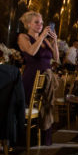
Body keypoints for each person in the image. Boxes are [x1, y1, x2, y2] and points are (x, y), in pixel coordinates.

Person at [18, 11, 59, 146]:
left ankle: (40, 135)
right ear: (28, 24)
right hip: (31, 77)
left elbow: (56, 58)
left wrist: (55, 41)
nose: (40, 25)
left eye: (41, 23)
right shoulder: (23, 37)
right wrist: (41, 36)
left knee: (44, 105)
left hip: (45, 78)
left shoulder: (45, 40)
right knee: (27, 104)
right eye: (36, 22)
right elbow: (31, 52)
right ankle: (22, 136)